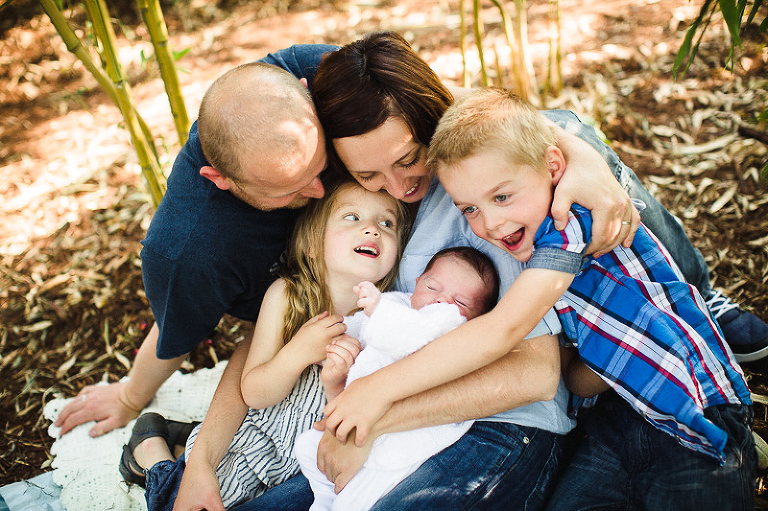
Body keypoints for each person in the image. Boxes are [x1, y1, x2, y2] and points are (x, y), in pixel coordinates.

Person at [53, 31, 765, 509]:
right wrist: (204, 452)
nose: (397, 187)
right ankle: (167, 457)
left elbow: (529, 363)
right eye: (366, 175)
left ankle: (706, 321)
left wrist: (375, 406)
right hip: (377, 427)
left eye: (407, 160)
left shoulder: (496, 193)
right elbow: (286, 318)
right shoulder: (373, 220)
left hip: (490, 426)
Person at [328, 86, 754, 510]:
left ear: (552, 167)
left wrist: (376, 391)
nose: (490, 223)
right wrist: (623, 349)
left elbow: (503, 329)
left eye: (501, 196)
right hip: (612, 423)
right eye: (470, 209)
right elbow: (575, 379)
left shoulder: (569, 223)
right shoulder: (544, 265)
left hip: (691, 407)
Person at [120, 178, 409, 510]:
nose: (373, 230)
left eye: (387, 223)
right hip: (254, 450)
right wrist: (297, 353)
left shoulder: (388, 318)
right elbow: (254, 392)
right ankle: (151, 452)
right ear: (314, 243)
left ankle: (173, 444)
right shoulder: (287, 297)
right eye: (352, 217)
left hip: (310, 462)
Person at [296, 246, 500, 511]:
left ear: (478, 317)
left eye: (461, 302)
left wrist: (376, 308)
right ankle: (324, 498)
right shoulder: (399, 304)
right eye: (432, 287)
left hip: (403, 435)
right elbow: (361, 326)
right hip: (361, 410)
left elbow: (404, 334)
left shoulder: (448, 328)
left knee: (356, 500)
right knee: (307, 447)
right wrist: (335, 337)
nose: (442, 301)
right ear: (416, 284)